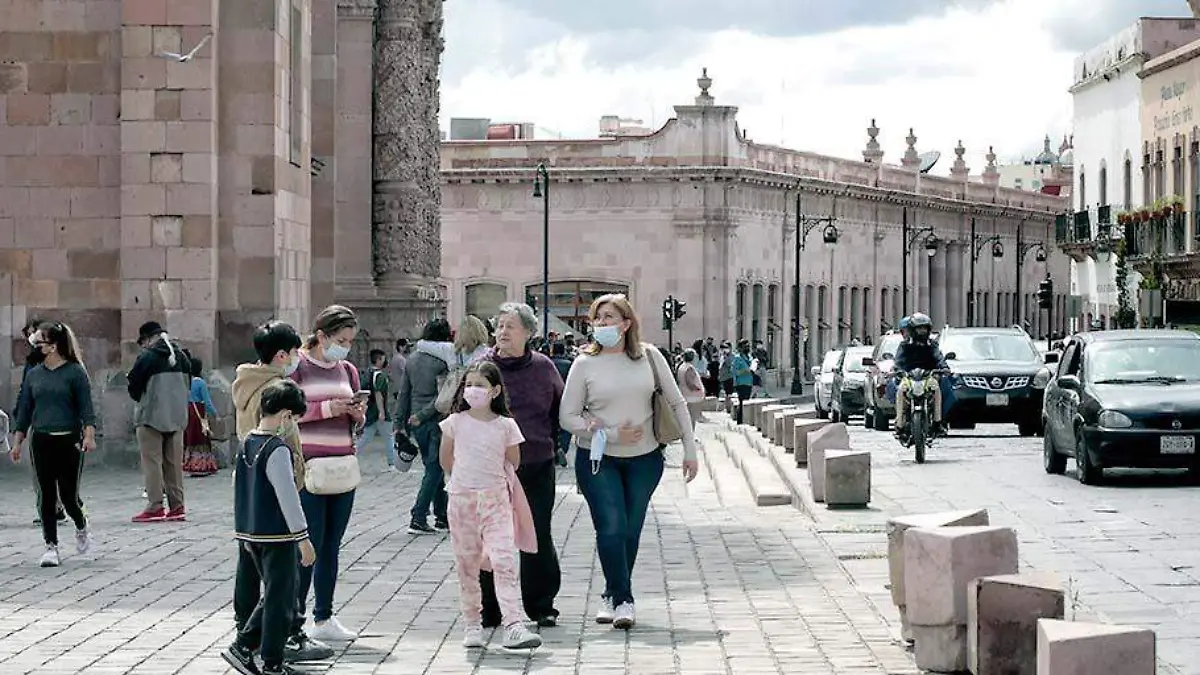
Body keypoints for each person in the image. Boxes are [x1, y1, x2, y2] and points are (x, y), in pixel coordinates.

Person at [560, 294, 699, 630]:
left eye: (609, 317)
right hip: (598, 460)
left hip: (645, 461)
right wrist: (606, 433)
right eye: (597, 318)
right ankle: (624, 599)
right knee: (611, 527)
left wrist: (691, 450)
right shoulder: (584, 364)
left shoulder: (649, 357)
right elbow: (567, 416)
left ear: (626, 324)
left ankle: (611, 593)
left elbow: (678, 404)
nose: (602, 324)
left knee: (630, 531)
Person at [231, 320, 333, 664]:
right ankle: (279, 638)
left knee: (251, 569)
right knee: (282, 580)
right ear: (280, 355)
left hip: (253, 496)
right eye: (293, 353)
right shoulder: (274, 389)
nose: (296, 359)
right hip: (276, 491)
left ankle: (248, 634)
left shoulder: (245, 382)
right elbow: (284, 446)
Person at [439, 361, 544, 650]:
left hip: (496, 500)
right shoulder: (455, 423)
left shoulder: (506, 426)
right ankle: (472, 623)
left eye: (480, 385)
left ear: (495, 391)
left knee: (503, 560)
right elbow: (445, 460)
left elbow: (513, 461)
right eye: (469, 384)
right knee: (467, 565)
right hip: (462, 501)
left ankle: (513, 624)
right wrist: (461, 480)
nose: (473, 390)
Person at [478, 302, 565, 629]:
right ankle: (491, 608)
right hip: (491, 468)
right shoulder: (483, 367)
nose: (502, 332)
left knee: (536, 534)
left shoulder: (544, 367)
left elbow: (560, 407)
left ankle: (541, 605)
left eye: (510, 326)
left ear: (529, 333)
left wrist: (554, 444)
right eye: (499, 325)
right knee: (491, 537)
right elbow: (463, 410)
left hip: (536, 463)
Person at [223, 380, 318, 675]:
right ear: (286, 415)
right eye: (294, 418)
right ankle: (265, 658)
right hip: (277, 534)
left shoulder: (247, 441)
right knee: (280, 599)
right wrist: (303, 538)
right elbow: (288, 497)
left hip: (250, 532)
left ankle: (256, 651)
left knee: (277, 596)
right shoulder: (277, 449)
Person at [290, 305, 364, 643]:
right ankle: (295, 617)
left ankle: (325, 615)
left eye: (349, 340)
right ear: (321, 336)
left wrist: (356, 414)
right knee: (310, 544)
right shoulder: (298, 368)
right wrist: (325, 409)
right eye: (340, 339)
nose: (345, 346)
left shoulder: (346, 370)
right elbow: (285, 413)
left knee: (332, 545)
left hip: (341, 466)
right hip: (309, 467)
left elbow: (355, 420)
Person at [10, 321, 96, 568]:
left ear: (54, 346)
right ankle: (51, 546)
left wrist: (88, 436)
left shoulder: (75, 373)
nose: (36, 347)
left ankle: (81, 526)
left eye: (40, 343)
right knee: (47, 496)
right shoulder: (34, 374)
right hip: (41, 440)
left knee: (69, 497)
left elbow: (86, 409)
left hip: (69, 440)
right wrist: (18, 443)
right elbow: (25, 410)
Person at [128, 321, 192, 523]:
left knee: (152, 463)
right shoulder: (182, 356)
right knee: (174, 464)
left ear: (147, 339)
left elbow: (134, 386)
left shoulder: (147, 357)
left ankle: (155, 505)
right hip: (176, 415)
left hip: (151, 417)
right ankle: (177, 505)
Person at [397, 318, 452, 535]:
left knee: (435, 468)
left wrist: (399, 422)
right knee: (435, 469)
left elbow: (404, 393)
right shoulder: (443, 361)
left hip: (415, 421)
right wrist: (423, 415)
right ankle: (418, 516)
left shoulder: (412, 358)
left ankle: (442, 516)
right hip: (435, 419)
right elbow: (443, 396)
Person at [17, 318, 70, 525]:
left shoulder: (64, 365)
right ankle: (52, 507)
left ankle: (58, 506)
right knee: (42, 470)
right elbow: (26, 392)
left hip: (55, 421)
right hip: (38, 419)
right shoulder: (33, 362)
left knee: (53, 470)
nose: (33, 341)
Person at [892, 312, 948, 440]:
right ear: (912, 329)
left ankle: (937, 422)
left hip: (928, 376)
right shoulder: (905, 345)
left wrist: (944, 368)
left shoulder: (932, 344)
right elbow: (899, 360)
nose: (922, 331)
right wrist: (896, 369)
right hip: (909, 377)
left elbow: (938, 357)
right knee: (901, 391)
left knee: (936, 389)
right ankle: (899, 424)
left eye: (924, 328)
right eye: (919, 328)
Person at [356, 349, 395, 471]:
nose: (385, 361)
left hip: (370, 410)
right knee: (389, 437)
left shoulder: (368, 373)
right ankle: (392, 463)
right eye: (383, 359)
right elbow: (379, 394)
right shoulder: (380, 375)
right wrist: (382, 412)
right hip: (379, 411)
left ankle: (351, 456)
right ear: (378, 360)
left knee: (366, 437)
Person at [183, 355, 219, 477]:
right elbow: (207, 401)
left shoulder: (187, 382)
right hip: (199, 411)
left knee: (191, 438)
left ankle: (191, 464)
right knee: (201, 438)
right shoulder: (200, 383)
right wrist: (215, 414)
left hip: (189, 410)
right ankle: (202, 465)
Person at [675, 349, 706, 431]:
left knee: (688, 418)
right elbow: (690, 382)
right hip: (691, 396)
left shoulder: (682, 366)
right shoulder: (689, 368)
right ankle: (691, 435)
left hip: (686, 395)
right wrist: (698, 389)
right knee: (691, 418)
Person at [731, 340, 754, 424]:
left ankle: (745, 420)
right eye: (745, 346)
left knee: (747, 401)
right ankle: (740, 420)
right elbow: (733, 371)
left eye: (748, 345)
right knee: (741, 402)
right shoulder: (738, 358)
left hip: (749, 382)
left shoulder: (749, 357)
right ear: (740, 347)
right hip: (741, 383)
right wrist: (744, 371)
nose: (747, 347)